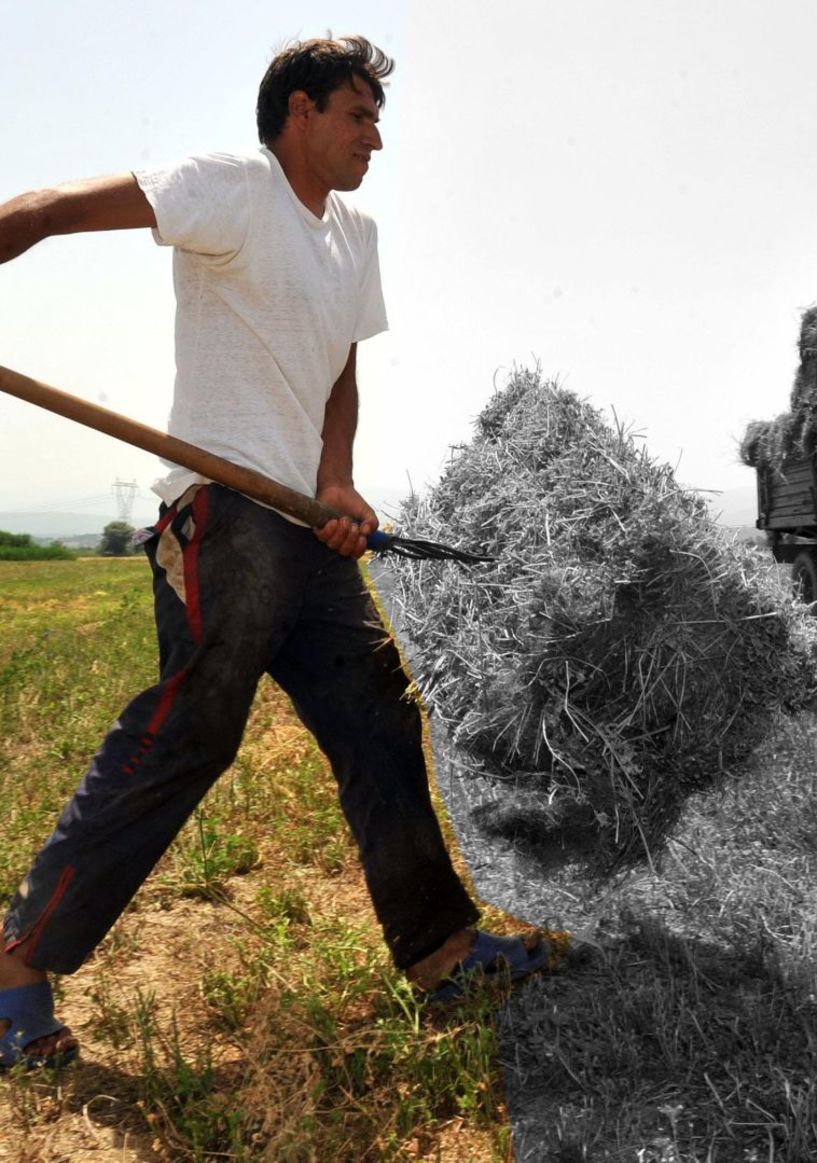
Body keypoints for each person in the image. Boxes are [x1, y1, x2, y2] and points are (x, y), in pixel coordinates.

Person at [0, 36, 552, 1069]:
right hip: (223, 512)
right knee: (190, 733)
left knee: (379, 716)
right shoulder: (231, 188)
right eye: (357, 115)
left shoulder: (356, 233)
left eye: (377, 119)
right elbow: (45, 207)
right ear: (298, 112)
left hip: (303, 520)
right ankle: (16, 964)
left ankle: (438, 949)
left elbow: (340, 368)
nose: (374, 138)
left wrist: (336, 477)